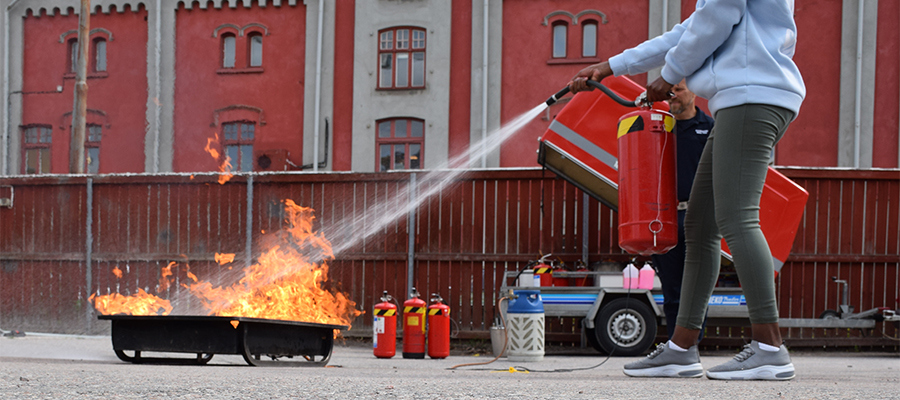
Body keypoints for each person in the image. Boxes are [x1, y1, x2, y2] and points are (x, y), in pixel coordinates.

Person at [570, 0, 804, 380]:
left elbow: (717, 17)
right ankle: (681, 349)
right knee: (700, 226)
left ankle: (770, 347)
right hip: (746, 94)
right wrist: (611, 67)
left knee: (737, 217)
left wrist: (672, 73)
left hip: (752, 94)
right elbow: (689, 30)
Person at [651, 80, 713, 341]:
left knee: (697, 289)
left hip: (698, 217)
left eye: (678, 90)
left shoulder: (710, 128)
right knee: (672, 288)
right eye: (669, 91)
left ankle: (692, 346)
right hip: (665, 217)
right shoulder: (659, 128)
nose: (672, 95)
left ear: (694, 92)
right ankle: (675, 346)